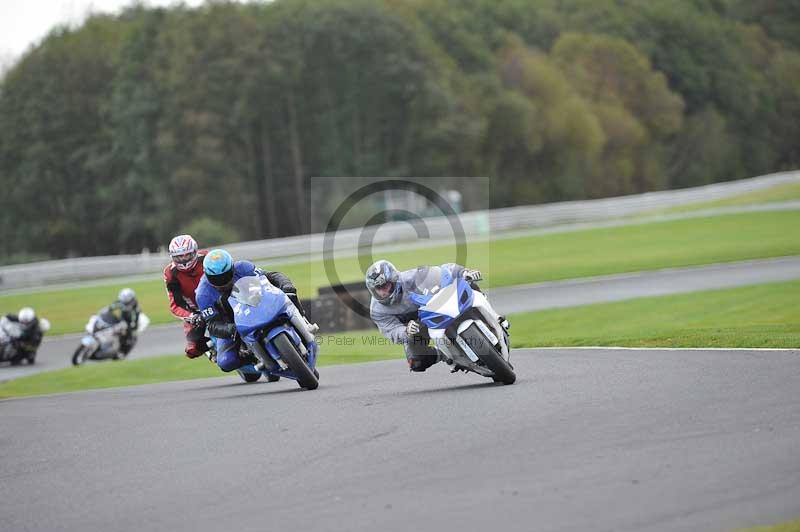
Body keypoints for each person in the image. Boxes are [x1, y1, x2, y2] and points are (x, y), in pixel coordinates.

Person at [365, 260, 487, 372]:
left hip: (437, 307)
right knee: (416, 362)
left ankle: (489, 316)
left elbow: (443, 270)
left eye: (385, 286)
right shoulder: (377, 311)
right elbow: (391, 330)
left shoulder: (411, 277)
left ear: (394, 280)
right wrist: (406, 331)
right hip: (418, 326)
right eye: (378, 288)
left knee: (467, 283)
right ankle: (445, 354)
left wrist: (464, 272)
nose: (383, 292)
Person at [195, 249, 303, 374]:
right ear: (206, 275)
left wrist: (286, 285)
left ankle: (302, 319)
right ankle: (251, 358)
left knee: (290, 294)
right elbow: (212, 325)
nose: (222, 283)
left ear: (232, 268)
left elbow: (270, 276)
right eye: (216, 279)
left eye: (225, 276)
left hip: (258, 304)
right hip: (231, 323)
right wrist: (231, 329)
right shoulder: (203, 294)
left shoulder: (243, 267)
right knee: (225, 362)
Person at [163, 234, 210, 358]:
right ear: (172, 257)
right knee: (192, 350)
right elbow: (175, 304)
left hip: (217, 300)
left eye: (187, 254)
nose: (184, 259)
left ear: (195, 252)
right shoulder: (170, 273)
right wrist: (191, 316)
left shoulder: (207, 258)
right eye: (179, 256)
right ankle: (213, 351)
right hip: (195, 310)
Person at [95, 288, 141, 355]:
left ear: (130, 297)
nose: (123, 299)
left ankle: (122, 350)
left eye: (125, 297)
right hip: (121, 320)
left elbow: (135, 318)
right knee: (110, 324)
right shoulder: (121, 302)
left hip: (129, 323)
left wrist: (132, 326)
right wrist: (104, 311)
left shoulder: (135, 307)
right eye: (123, 297)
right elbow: (112, 306)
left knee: (128, 336)